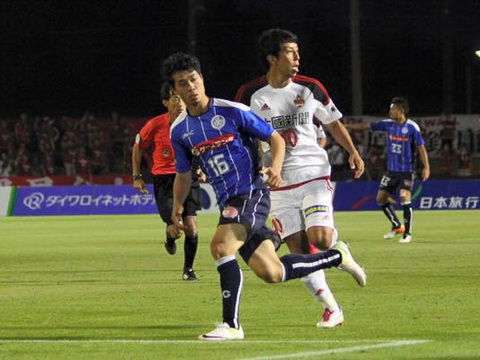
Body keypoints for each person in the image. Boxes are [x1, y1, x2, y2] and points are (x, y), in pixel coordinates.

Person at [161, 51, 366, 341]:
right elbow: (183, 174)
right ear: (175, 90)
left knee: (221, 246)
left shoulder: (232, 111)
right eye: (182, 84)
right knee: (272, 272)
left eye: (194, 79)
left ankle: (231, 325)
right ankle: (336, 256)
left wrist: (276, 167)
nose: (190, 87)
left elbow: (275, 137)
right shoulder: (180, 131)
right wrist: (178, 207)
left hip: (250, 194)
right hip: (227, 202)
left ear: (202, 79)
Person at [235, 29, 365, 328]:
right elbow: (243, 136)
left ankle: (338, 248)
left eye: (297, 52)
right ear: (272, 58)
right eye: (290, 52)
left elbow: (333, 123)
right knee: (299, 250)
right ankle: (332, 308)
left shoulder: (311, 88)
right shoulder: (250, 95)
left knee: (320, 238)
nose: (297, 58)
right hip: (277, 182)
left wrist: (353, 152)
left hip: (313, 172)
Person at [132, 82, 201, 281]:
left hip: (187, 175)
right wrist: (137, 177)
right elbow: (137, 146)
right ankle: (170, 238)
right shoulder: (155, 124)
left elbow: (202, 147)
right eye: (175, 98)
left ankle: (188, 270)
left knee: (192, 226)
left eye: (182, 98)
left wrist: (202, 169)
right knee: (176, 229)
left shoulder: (193, 122)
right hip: (164, 179)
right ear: (165, 102)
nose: (180, 102)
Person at [345, 97, 430, 243]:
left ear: (401, 111)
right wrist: (345, 126)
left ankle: (408, 234)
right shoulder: (388, 124)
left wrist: (426, 167)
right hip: (391, 171)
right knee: (381, 199)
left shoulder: (412, 127)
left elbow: (421, 147)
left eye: (393, 109)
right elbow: (367, 126)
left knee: (404, 195)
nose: (390, 111)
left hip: (406, 171)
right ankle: (397, 226)